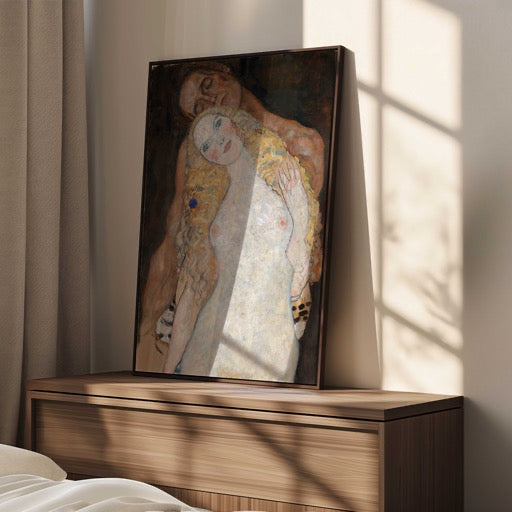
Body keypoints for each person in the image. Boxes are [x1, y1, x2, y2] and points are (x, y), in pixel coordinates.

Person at [135, 63, 325, 373]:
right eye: (199, 107)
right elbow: (175, 247)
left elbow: (303, 250)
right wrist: (146, 336)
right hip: (211, 331)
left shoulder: (301, 145)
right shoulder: (201, 156)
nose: (210, 99)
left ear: (222, 70)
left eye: (207, 84)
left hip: (271, 328)